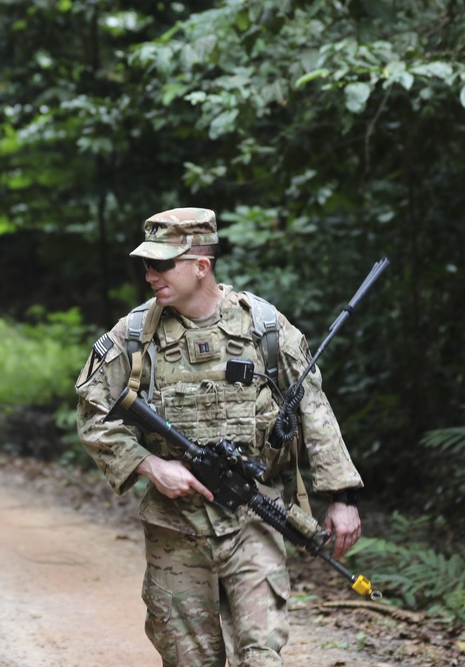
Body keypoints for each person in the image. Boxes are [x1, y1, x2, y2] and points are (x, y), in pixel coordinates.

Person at [75, 208, 364, 667]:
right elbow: (93, 414)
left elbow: (313, 407)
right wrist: (151, 466)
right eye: (146, 265)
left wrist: (342, 496)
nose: (150, 275)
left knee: (261, 654)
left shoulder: (264, 328)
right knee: (192, 658)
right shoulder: (133, 336)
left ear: (200, 265)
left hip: (255, 513)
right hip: (176, 527)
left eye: (161, 264)